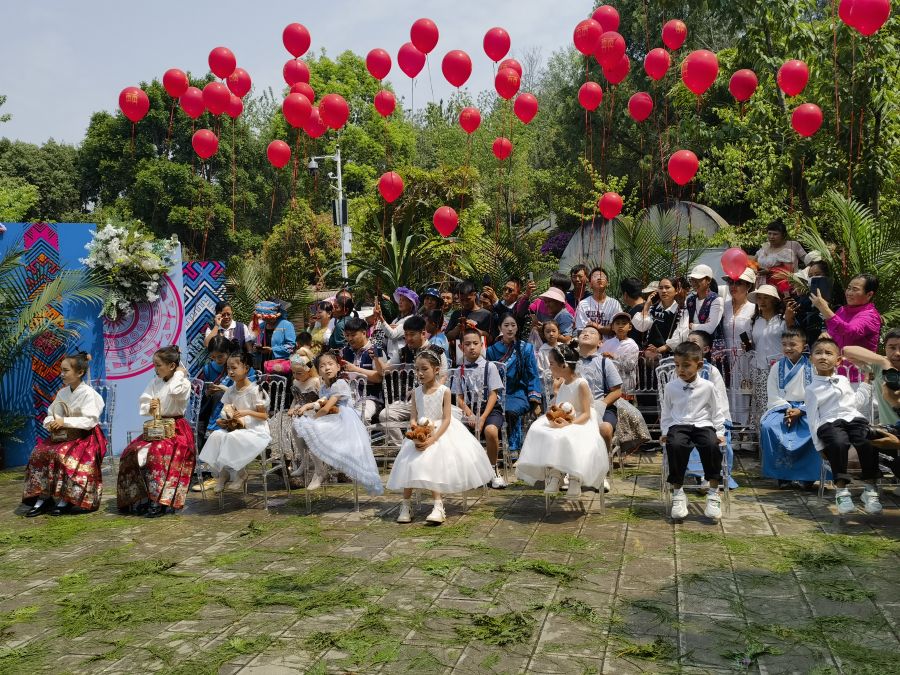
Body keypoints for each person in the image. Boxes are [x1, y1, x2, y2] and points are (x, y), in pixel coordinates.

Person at [387, 347, 495, 524]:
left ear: (436, 369)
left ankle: (438, 505)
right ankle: (406, 504)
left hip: (439, 432)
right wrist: (415, 428)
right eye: (417, 369)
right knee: (409, 462)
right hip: (420, 432)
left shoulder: (444, 391)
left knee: (432, 460)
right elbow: (413, 416)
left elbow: (446, 419)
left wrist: (433, 438)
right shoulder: (416, 392)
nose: (420, 373)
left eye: (424, 369)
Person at [516, 343, 608, 498]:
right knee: (539, 429)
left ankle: (575, 477)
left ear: (563, 365)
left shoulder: (581, 384)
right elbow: (560, 406)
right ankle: (555, 474)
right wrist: (556, 393)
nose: (549, 367)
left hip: (581, 421)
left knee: (568, 436)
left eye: (552, 363)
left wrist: (569, 423)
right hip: (565, 418)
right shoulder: (563, 383)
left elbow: (586, 413)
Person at [23, 352, 106, 516]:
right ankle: (43, 496)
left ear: (80, 372)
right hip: (63, 436)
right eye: (61, 370)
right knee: (38, 453)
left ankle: (67, 499)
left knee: (62, 455)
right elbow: (52, 413)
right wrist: (51, 422)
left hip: (85, 437)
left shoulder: (89, 394)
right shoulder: (63, 393)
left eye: (66, 370)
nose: (61, 374)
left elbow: (90, 421)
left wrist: (64, 421)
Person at [116, 346, 194, 517]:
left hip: (176, 430)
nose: (155, 369)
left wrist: (179, 374)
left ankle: (159, 500)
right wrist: (150, 407)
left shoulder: (184, 383)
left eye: (158, 365)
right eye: (154, 365)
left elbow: (174, 391)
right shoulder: (154, 382)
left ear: (172, 366)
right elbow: (144, 401)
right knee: (130, 451)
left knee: (157, 451)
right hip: (157, 426)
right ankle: (140, 498)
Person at [291, 350, 383, 495]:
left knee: (309, 427)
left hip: (343, 421)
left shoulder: (340, 383)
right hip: (332, 418)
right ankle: (305, 460)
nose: (327, 368)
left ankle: (320, 472)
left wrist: (312, 419)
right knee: (296, 427)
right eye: (322, 366)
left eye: (330, 364)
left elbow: (326, 408)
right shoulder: (323, 387)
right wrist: (307, 406)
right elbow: (321, 402)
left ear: (338, 367)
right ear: (318, 371)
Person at [805, 337, 879, 514]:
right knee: (839, 443)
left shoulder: (843, 380)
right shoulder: (811, 389)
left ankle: (870, 489)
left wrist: (865, 383)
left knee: (867, 440)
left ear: (838, 360)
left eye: (828, 353)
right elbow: (813, 418)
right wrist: (818, 446)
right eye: (818, 353)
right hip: (829, 423)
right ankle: (841, 491)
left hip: (853, 418)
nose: (823, 357)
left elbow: (855, 403)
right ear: (811, 359)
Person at [660, 341, 728, 522]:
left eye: (686, 365)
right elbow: (666, 412)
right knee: (675, 445)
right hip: (679, 424)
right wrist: (665, 431)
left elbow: (717, 411)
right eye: (677, 365)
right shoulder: (671, 387)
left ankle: (713, 492)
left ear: (699, 365)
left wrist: (719, 432)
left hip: (703, 424)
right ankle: (678, 493)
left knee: (711, 444)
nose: (680, 370)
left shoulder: (708, 386)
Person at [198, 352, 272, 494]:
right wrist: (224, 420)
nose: (230, 372)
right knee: (216, 435)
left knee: (232, 437)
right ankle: (223, 473)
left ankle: (241, 473)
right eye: (228, 368)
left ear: (246, 368)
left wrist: (247, 412)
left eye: (234, 368)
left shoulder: (255, 390)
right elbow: (227, 409)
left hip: (256, 428)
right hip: (237, 427)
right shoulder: (231, 390)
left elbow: (264, 416)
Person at [375, 314, 449, 445]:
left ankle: (430, 445)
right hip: (410, 401)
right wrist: (376, 355)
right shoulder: (402, 352)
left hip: (433, 400)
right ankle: (402, 447)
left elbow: (443, 376)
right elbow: (383, 371)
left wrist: (433, 394)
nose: (408, 338)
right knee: (385, 415)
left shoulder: (437, 351)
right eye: (406, 334)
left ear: (423, 333)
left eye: (412, 334)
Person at [760, 330, 819, 487]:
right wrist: (787, 408)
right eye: (784, 344)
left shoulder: (813, 366)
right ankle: (783, 475)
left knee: (814, 427)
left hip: (807, 408)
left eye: (793, 344)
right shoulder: (776, 367)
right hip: (782, 407)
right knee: (769, 426)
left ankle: (807, 476)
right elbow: (772, 393)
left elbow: (817, 392)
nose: (788, 348)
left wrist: (801, 410)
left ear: (804, 346)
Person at [454, 327, 506, 488]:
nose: (472, 347)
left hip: (489, 409)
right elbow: (459, 398)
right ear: (461, 347)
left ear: (481, 345)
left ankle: (493, 469)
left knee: (491, 431)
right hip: (468, 410)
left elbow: (493, 394)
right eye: (467, 344)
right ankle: (468, 471)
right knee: (455, 431)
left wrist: (482, 418)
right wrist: (470, 414)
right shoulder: (459, 370)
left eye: (475, 343)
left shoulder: (490, 367)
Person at [486, 313, 543, 456]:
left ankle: (513, 448)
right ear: (500, 328)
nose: (510, 329)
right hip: (497, 394)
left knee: (510, 410)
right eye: (506, 325)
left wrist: (535, 400)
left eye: (513, 325)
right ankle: (495, 447)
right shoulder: (491, 351)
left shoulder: (526, 348)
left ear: (517, 327)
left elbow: (532, 374)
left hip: (519, 392)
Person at [810, 273, 882, 384]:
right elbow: (834, 333)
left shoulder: (871, 315)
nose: (849, 293)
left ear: (869, 294)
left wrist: (825, 309)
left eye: (855, 289)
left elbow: (849, 332)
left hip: (859, 377)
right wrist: (826, 337)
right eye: (848, 288)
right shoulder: (842, 310)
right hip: (836, 373)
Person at [575, 323, 623, 451]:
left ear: (600, 343)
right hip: (576, 406)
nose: (586, 334)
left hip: (601, 405)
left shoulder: (605, 362)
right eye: (583, 332)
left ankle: (605, 458)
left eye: (592, 333)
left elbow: (617, 391)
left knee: (605, 428)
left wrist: (602, 404)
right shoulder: (571, 362)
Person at [720, 268, 757, 425]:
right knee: (727, 394)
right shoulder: (723, 306)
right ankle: (730, 431)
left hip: (747, 358)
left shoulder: (754, 307)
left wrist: (750, 345)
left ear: (748, 286)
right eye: (731, 282)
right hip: (725, 358)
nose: (733, 286)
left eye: (738, 283)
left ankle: (746, 432)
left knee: (746, 393)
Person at [748, 284, 786, 422]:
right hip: (759, 369)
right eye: (759, 297)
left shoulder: (782, 320)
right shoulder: (754, 321)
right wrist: (747, 345)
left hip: (780, 369)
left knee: (779, 403)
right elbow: (753, 344)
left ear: (774, 300)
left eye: (766, 298)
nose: (762, 301)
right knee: (761, 405)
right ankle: (762, 433)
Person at [341, 317, 384, 423]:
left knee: (361, 416)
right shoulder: (345, 351)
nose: (349, 339)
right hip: (349, 397)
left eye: (353, 335)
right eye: (347, 335)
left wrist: (355, 369)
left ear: (364, 333)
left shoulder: (376, 351)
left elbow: (379, 377)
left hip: (370, 398)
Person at [445, 281, 495, 363]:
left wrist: (474, 329)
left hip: (481, 359)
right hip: (460, 359)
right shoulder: (456, 314)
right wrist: (458, 328)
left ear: (474, 295)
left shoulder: (486, 315)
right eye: (462, 300)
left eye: (468, 299)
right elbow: (447, 337)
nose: (465, 303)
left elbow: (491, 339)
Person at [675, 264, 724, 347]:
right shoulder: (690, 300)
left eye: (698, 280)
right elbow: (683, 325)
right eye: (692, 280)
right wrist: (702, 326)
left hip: (711, 346)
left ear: (708, 280)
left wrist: (692, 325)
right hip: (692, 346)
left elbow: (710, 328)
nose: (694, 283)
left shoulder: (716, 300)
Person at [785, 258, 829, 347]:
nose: (813, 278)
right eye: (810, 275)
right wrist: (789, 319)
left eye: (817, 274)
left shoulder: (838, 300)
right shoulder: (802, 303)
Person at [633, 277, 681, 358]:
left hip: (670, 357)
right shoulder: (652, 309)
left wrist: (658, 350)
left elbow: (678, 338)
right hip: (649, 355)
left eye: (667, 287)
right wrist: (647, 306)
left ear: (676, 290)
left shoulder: (681, 311)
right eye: (660, 288)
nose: (664, 291)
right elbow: (641, 327)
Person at [754, 220, 806, 293]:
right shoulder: (765, 246)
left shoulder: (793, 245)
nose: (771, 237)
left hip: (784, 287)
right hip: (761, 285)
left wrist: (805, 276)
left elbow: (807, 261)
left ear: (783, 235)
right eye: (769, 233)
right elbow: (753, 261)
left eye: (775, 234)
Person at [374, 287, 419, 361]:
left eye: (403, 300)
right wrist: (385, 332)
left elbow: (393, 335)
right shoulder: (395, 320)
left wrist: (381, 318)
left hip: (400, 358)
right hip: (390, 357)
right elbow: (387, 336)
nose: (400, 302)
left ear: (411, 304)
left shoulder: (410, 320)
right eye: (400, 300)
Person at [599, 312, 640, 393]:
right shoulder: (607, 343)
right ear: (613, 327)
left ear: (630, 327)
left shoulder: (632, 345)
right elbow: (598, 360)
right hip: (608, 384)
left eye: (624, 323)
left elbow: (629, 366)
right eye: (617, 323)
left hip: (625, 385)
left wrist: (614, 356)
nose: (620, 326)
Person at [574, 267, 622, 335]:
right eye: (595, 276)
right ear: (590, 284)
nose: (599, 279)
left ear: (607, 283)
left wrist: (595, 325)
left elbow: (616, 329)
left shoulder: (614, 303)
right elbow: (581, 330)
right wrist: (605, 329)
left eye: (602, 276)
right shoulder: (582, 304)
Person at [252, 299, 296, 371]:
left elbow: (291, 347)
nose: (266, 320)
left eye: (269, 318)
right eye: (264, 318)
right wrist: (257, 347)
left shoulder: (286, 325)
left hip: (280, 366)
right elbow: (257, 342)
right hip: (263, 364)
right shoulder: (261, 326)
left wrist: (272, 350)